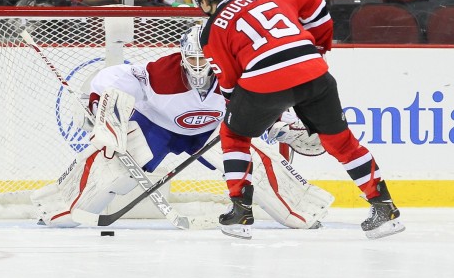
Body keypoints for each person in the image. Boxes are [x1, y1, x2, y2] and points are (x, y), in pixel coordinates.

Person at [30, 24, 334, 231]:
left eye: (206, 59)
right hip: (157, 126)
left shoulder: (235, 72)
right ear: (182, 55)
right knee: (112, 163)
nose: (200, 66)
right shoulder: (159, 73)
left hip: (211, 130)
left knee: (252, 158)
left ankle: (303, 209)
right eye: (193, 58)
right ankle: (59, 206)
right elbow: (109, 79)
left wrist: (282, 123)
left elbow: (260, 100)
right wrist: (101, 112)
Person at [190, 0, 406, 240]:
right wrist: (318, 48)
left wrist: (252, 115)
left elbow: (230, 85)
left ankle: (240, 212)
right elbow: (316, 6)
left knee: (234, 134)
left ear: (204, 0)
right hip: (313, 71)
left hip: (263, 82)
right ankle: (384, 208)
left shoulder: (211, 30)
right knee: (341, 142)